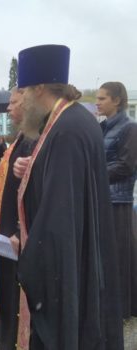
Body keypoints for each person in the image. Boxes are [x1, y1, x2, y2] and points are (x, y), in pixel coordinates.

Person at [13, 45, 123, 349]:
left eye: (23, 91)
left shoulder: (66, 129)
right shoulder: (69, 119)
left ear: (39, 87)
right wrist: (29, 170)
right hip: (82, 247)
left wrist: (27, 251)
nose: (20, 100)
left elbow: (60, 211)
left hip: (68, 264)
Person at [0, 87, 35, 350]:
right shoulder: (21, 137)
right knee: (7, 287)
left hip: (17, 232)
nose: (9, 108)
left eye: (13, 102)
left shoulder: (33, 138)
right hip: (7, 228)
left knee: (17, 290)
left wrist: (19, 230)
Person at [96, 81, 137, 319]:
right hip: (104, 197)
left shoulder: (130, 128)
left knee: (120, 255)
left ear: (117, 100)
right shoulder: (102, 127)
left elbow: (125, 165)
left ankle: (122, 308)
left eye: (102, 98)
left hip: (119, 200)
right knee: (107, 255)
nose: (98, 103)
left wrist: (93, 172)